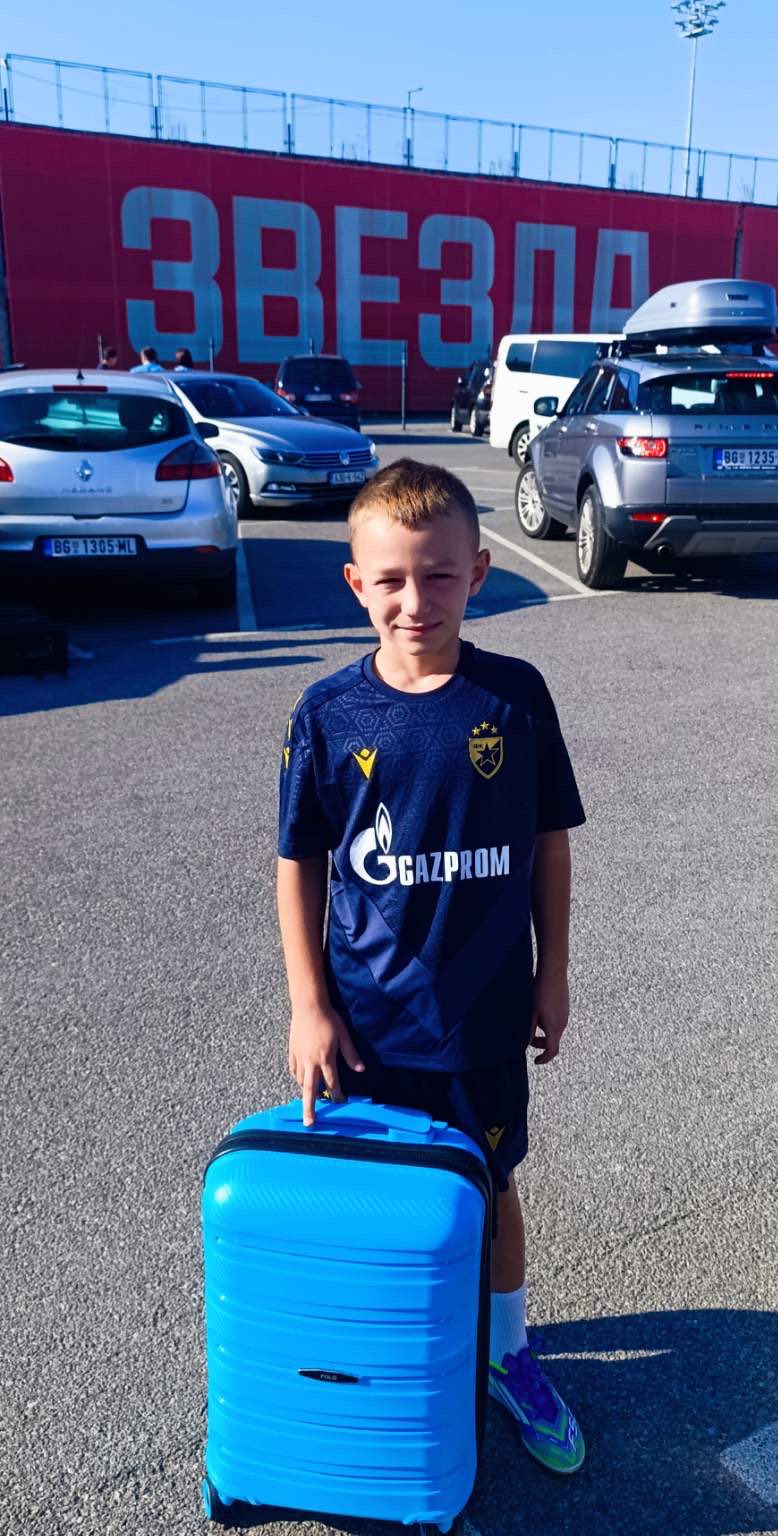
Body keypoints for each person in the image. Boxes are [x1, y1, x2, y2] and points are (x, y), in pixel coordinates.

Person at [276, 458, 587, 1475]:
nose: (416, 601)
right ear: (355, 583)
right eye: (392, 579)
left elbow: (547, 842)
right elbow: (299, 862)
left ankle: (507, 1352)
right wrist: (308, 1004)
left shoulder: (515, 696)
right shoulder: (328, 713)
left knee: (490, 1186)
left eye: (440, 575)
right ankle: (392, 1347)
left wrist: (553, 971)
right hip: (366, 1021)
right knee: (375, 1195)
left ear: (480, 571)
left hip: (482, 1016)